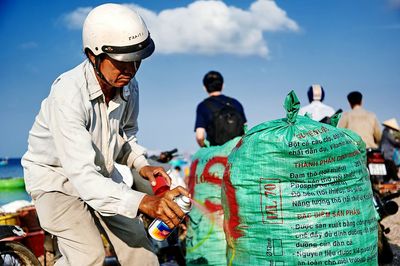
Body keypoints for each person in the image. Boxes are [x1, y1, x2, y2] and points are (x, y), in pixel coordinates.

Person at [21, 4, 189, 266]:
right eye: (122, 61)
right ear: (92, 55)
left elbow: (126, 135)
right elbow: (83, 178)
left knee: (142, 253)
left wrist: (143, 166)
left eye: (137, 59)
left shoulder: (128, 86)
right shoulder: (67, 95)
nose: (131, 69)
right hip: (56, 181)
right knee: (89, 256)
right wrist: (145, 201)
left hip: (101, 177)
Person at [194, 71, 247, 147]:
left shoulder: (202, 106)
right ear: (223, 86)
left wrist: (204, 147)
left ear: (204, 88)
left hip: (216, 151)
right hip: (238, 150)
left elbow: (200, 136)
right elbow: (245, 129)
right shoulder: (236, 103)